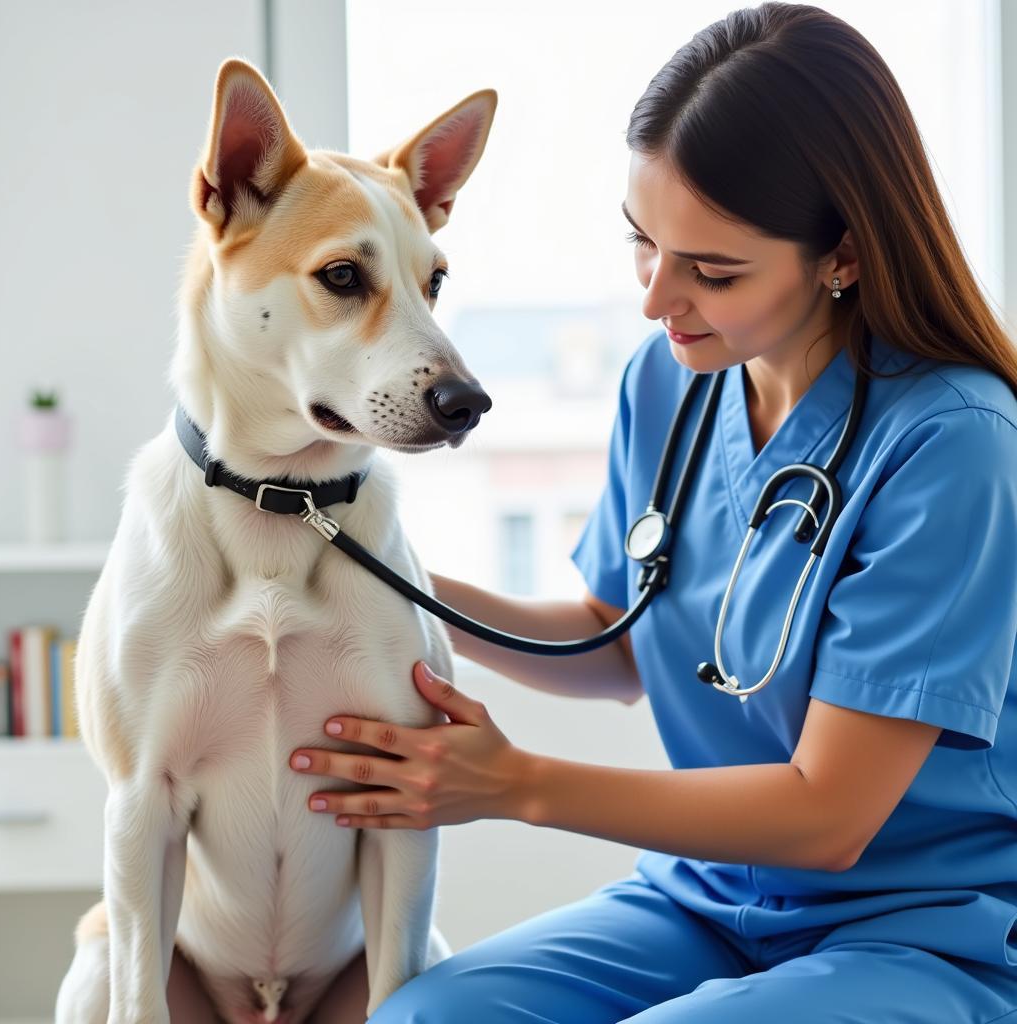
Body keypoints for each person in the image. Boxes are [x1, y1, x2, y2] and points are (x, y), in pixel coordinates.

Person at [171, 3, 1017, 1021]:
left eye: (713, 270)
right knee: (420, 1016)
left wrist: (513, 782)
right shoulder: (670, 385)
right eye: (642, 243)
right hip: (709, 896)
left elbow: (831, 812)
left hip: (911, 926)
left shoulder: (955, 438)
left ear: (841, 253)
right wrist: (376, 584)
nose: (659, 301)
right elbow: (611, 642)